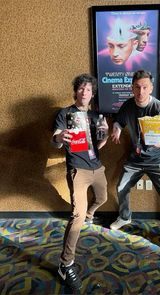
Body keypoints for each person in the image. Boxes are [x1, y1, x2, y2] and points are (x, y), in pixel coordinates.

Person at [110, 70, 160, 256]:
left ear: (151, 87)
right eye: (137, 87)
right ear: (132, 88)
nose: (141, 91)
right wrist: (117, 129)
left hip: (158, 159)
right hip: (135, 159)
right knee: (121, 187)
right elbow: (118, 121)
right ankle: (125, 217)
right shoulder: (127, 106)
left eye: (145, 87)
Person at [52, 74, 109, 290]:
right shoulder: (65, 114)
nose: (84, 93)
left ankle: (90, 215)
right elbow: (56, 139)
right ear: (76, 91)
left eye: (88, 90)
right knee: (76, 216)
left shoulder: (96, 116)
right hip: (77, 169)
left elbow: (98, 144)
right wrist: (60, 137)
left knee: (102, 197)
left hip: (97, 166)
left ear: (92, 94)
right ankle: (65, 264)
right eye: (81, 89)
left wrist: (103, 135)